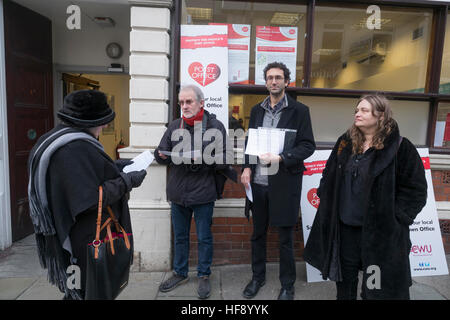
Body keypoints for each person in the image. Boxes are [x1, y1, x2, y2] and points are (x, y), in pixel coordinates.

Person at [303, 94, 427, 300]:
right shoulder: (345, 142)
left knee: (375, 286)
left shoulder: (401, 148)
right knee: (345, 282)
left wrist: (396, 217)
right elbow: (329, 174)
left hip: (379, 235)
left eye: (364, 110)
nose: (357, 114)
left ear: (380, 115)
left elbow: (416, 190)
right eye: (357, 110)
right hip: (345, 230)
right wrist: (325, 195)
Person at [27, 89, 147, 300]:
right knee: (88, 290)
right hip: (84, 238)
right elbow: (92, 197)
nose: (104, 127)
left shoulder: (55, 138)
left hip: (68, 229)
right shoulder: (75, 147)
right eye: (103, 122)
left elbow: (86, 175)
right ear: (92, 122)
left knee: (76, 289)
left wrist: (116, 166)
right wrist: (128, 181)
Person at [241, 62, 316, 300]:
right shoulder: (256, 111)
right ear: (266, 82)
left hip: (284, 184)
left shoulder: (299, 111)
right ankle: (257, 278)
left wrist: (282, 157)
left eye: (279, 77)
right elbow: (249, 143)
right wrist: (246, 167)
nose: (274, 81)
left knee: (285, 238)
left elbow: (308, 146)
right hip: (260, 184)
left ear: (286, 81)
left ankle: (287, 285)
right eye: (270, 78)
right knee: (258, 235)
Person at [154, 84, 232, 299]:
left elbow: (225, 158)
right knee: (180, 237)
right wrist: (160, 156)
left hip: (203, 192)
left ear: (201, 103)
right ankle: (180, 273)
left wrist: (205, 159)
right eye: (181, 102)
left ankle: (204, 275)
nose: (184, 106)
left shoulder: (216, 126)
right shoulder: (173, 126)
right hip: (178, 192)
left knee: (204, 237)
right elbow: (159, 151)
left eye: (189, 102)